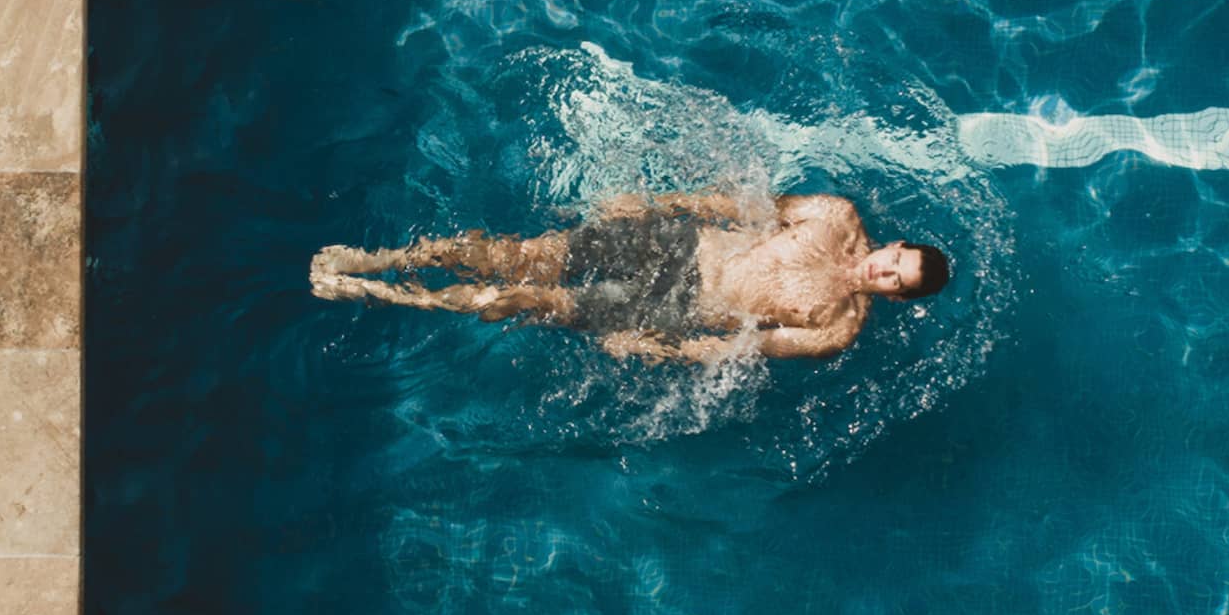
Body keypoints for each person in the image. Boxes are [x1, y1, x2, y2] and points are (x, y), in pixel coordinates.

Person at [310, 190, 951, 364]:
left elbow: (741, 348)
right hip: (674, 243)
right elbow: (741, 204)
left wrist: (660, 351)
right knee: (521, 255)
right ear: (893, 244)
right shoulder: (834, 216)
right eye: (895, 259)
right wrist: (659, 207)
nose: (883, 271)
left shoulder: (835, 327)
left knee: (524, 299)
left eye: (895, 281)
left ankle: (375, 291)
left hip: (674, 309)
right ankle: (383, 257)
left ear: (898, 298)